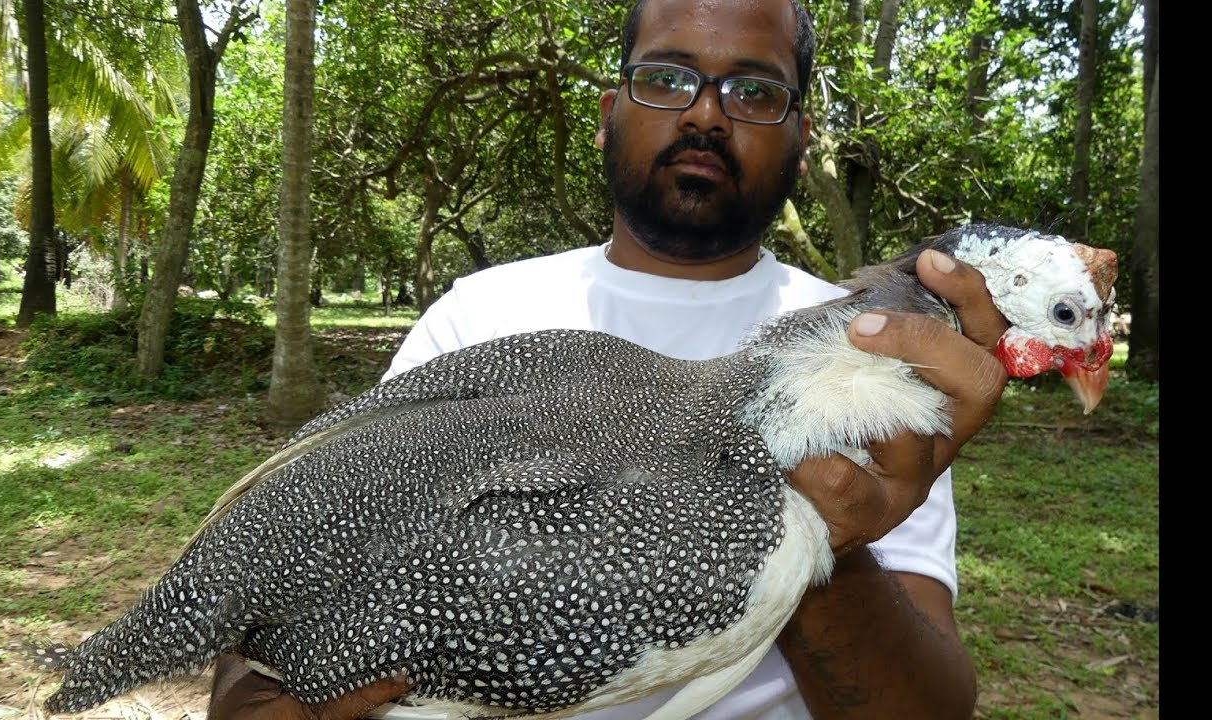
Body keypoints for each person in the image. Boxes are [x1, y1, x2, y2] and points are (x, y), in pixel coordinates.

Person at [210, 0, 1007, 717]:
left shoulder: (865, 356)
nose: (706, 116)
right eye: (667, 78)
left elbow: (929, 707)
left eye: (754, 93)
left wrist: (823, 535)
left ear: (801, 145)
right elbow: (280, 583)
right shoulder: (480, 316)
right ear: (607, 114)